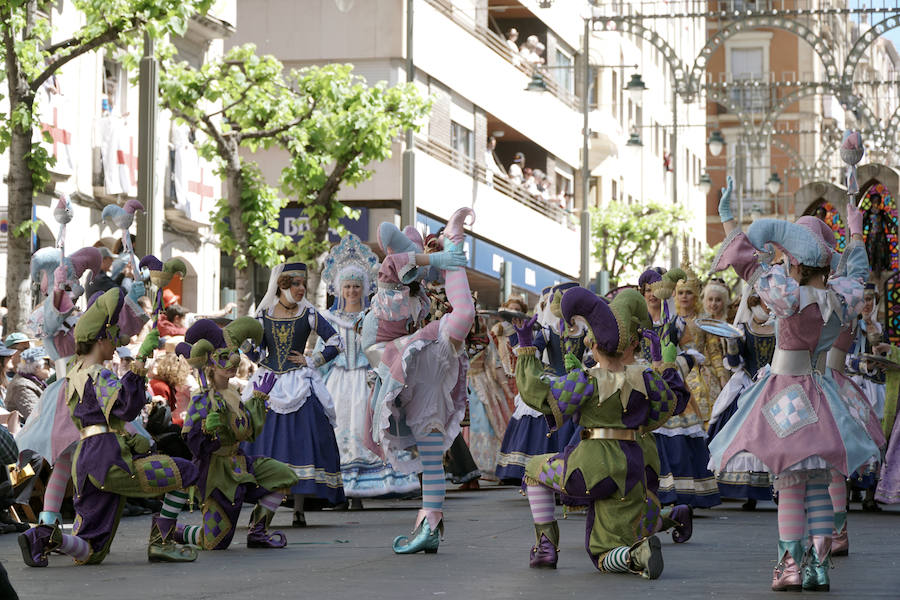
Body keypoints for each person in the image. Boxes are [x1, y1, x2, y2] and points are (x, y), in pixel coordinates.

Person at [710, 176, 880, 592]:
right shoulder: (846, 295)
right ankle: (817, 567)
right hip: (825, 397)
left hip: (786, 396)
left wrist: (731, 220)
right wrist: (855, 231)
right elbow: (857, 268)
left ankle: (789, 564)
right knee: (820, 484)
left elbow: (750, 265)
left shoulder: (787, 295)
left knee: (789, 485)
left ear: (798, 265)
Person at [18, 287, 200, 567]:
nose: (117, 342)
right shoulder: (98, 374)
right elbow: (126, 406)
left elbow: (107, 417)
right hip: (109, 462)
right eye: (113, 335)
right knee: (185, 471)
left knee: (92, 549)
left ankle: (44, 536)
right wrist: (139, 364)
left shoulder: (76, 373)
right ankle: (161, 541)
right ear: (101, 338)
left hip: (87, 460)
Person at [516, 287, 689, 577]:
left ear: (593, 345)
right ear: (633, 344)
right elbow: (672, 404)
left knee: (535, 469)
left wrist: (526, 351)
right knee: (633, 520)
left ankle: (548, 545)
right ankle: (670, 520)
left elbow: (538, 393)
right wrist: (667, 365)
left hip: (591, 469)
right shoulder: (647, 379)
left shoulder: (585, 380)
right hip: (636, 464)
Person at [361, 207, 475, 554]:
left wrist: (443, 255)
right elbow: (393, 250)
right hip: (396, 361)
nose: (420, 273)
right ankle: (454, 236)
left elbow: (426, 269)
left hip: (416, 368)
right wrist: (442, 250)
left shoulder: (417, 295)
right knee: (463, 314)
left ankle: (430, 522)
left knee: (431, 453)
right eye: (418, 265)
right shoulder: (388, 286)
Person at [175, 318, 297, 550]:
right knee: (215, 543)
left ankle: (258, 531)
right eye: (224, 357)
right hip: (217, 473)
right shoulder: (202, 398)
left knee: (283, 476)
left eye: (233, 355)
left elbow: (247, 432)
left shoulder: (233, 392)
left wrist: (259, 399)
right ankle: (173, 530)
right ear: (210, 363)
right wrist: (207, 430)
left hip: (240, 464)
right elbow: (192, 441)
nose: (232, 362)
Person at [242, 261, 345, 527]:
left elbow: (336, 341)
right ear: (282, 285)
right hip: (268, 382)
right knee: (263, 441)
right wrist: (256, 355)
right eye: (296, 284)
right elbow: (249, 346)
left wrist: (312, 360)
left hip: (299, 381)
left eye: (303, 284)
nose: (301, 289)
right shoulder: (263, 315)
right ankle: (265, 507)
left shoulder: (308, 314)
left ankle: (299, 509)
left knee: (303, 440)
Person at [318, 233, 418, 504]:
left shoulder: (373, 316)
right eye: (347, 286)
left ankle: (372, 483)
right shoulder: (329, 319)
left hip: (366, 379)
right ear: (339, 289)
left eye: (356, 286)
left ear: (364, 288)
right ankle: (341, 487)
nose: (352, 291)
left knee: (370, 426)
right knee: (338, 429)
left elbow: (384, 347)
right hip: (337, 382)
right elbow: (321, 354)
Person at [706, 287, 776, 510]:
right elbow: (735, 364)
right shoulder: (743, 327)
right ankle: (749, 492)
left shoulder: (782, 323)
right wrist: (733, 344)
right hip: (747, 386)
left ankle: (778, 486)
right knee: (740, 434)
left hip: (776, 386)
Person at [5, 348, 51, 421]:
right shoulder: (22, 386)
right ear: (36, 367)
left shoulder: (34, 381)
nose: (50, 367)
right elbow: (35, 417)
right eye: (47, 363)